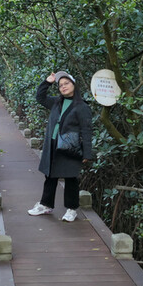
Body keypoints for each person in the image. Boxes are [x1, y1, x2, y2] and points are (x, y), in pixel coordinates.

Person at [27, 71, 93, 222]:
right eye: (60, 85)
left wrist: (87, 154)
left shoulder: (82, 107)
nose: (63, 87)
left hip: (70, 148)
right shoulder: (56, 102)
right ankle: (45, 205)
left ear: (74, 85)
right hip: (53, 145)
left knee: (71, 178)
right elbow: (40, 97)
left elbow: (87, 130)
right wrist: (48, 82)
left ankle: (71, 209)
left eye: (66, 84)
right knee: (50, 176)